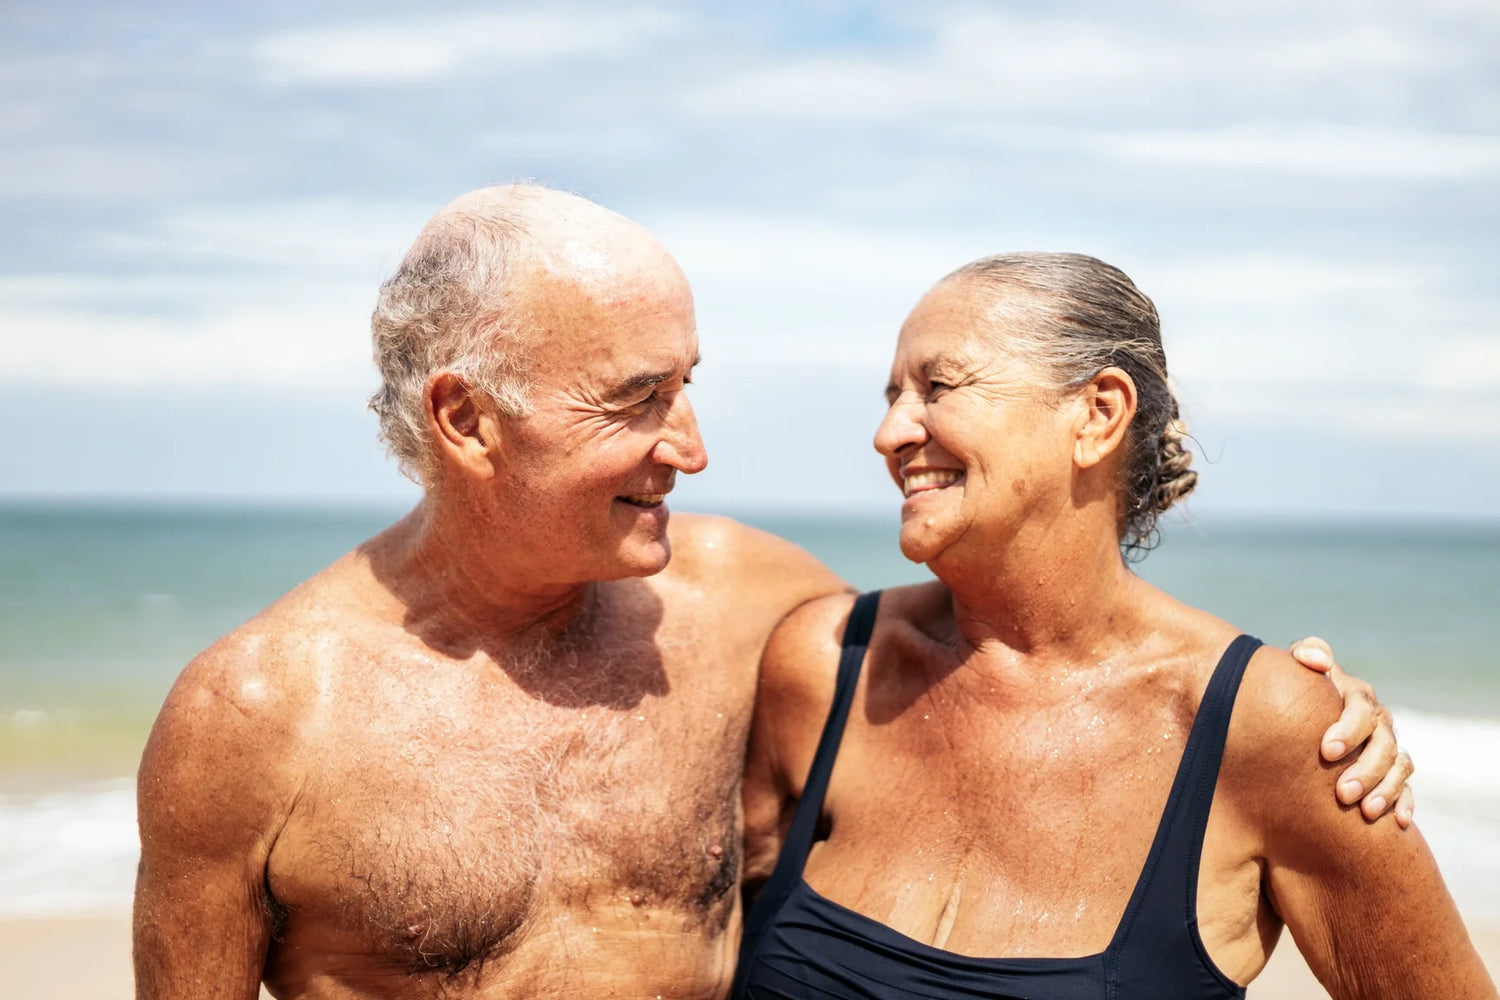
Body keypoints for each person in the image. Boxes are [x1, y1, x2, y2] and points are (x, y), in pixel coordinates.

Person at [134, 189, 1407, 1000]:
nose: (690, 447)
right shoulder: (255, 716)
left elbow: (1028, 644)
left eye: (688, 385)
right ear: (467, 420)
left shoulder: (746, 607)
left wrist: (1308, 713)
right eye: (637, 399)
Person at [737, 252, 1492, 999]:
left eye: (937, 387)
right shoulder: (827, 665)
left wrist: (1305, 713)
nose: (890, 433)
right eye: (892, 395)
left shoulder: (1264, 727)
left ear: (1098, 414)